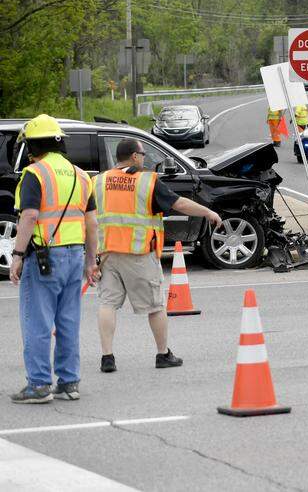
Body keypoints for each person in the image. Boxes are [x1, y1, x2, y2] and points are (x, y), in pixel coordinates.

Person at [91, 138, 222, 374]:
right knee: (155, 306)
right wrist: (208, 212)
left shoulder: (98, 181)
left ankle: (107, 357)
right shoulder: (147, 181)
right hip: (138, 253)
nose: (143, 158)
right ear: (134, 156)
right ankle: (163, 354)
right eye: (142, 154)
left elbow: (88, 217)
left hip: (107, 254)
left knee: (107, 304)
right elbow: (179, 204)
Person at [9, 115, 99, 404]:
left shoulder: (35, 174)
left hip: (45, 257)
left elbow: (30, 215)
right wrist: (90, 261)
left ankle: (38, 385)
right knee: (68, 321)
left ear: (33, 146)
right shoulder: (81, 175)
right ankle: (69, 383)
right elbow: (92, 223)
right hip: (74, 255)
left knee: (37, 322)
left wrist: (17, 255)